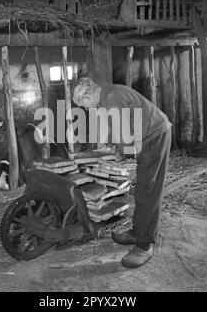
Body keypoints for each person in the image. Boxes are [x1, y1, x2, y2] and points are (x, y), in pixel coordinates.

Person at [72, 77, 172, 269]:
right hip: (146, 136)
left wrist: (119, 154)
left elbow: (124, 136)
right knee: (142, 190)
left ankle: (144, 245)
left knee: (147, 191)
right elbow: (112, 127)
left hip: (154, 137)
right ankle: (138, 231)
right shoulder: (105, 97)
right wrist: (110, 146)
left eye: (82, 104)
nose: (84, 109)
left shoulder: (111, 98)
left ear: (88, 95)